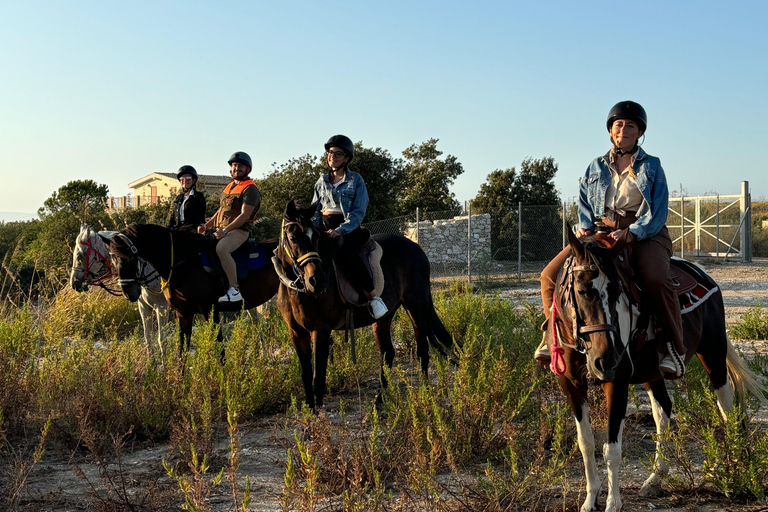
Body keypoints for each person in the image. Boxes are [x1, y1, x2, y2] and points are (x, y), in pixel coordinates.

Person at [535, 101, 685, 377]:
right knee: (548, 276)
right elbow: (584, 204)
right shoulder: (595, 166)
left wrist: (631, 232)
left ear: (640, 132)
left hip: (645, 233)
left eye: (630, 126)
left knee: (654, 277)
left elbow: (658, 211)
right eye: (619, 125)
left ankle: (672, 348)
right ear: (610, 131)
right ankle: (553, 336)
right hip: (600, 233)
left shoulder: (651, 166)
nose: (624, 130)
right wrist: (583, 227)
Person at [311, 134, 388, 319]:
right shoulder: (321, 181)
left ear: (346, 158)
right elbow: (315, 209)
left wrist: (338, 231)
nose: (333, 157)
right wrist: (312, 229)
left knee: (348, 254)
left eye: (338, 154)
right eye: (330, 153)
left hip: (348, 227)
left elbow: (357, 213)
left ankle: (373, 297)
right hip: (324, 225)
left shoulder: (356, 180)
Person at [198, 152, 260, 303]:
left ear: (248, 169)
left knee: (222, 249)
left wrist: (226, 231)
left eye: (240, 166)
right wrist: (207, 226)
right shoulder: (229, 187)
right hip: (220, 230)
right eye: (234, 165)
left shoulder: (250, 189)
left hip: (239, 231)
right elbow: (220, 211)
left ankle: (234, 289)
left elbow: (245, 215)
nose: (236, 168)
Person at [168, 165, 206, 229]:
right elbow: (173, 217)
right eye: (182, 179)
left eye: (188, 178)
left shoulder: (198, 197)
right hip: (178, 230)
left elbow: (200, 217)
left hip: (192, 231)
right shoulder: (179, 198)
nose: (185, 181)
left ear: (193, 180)